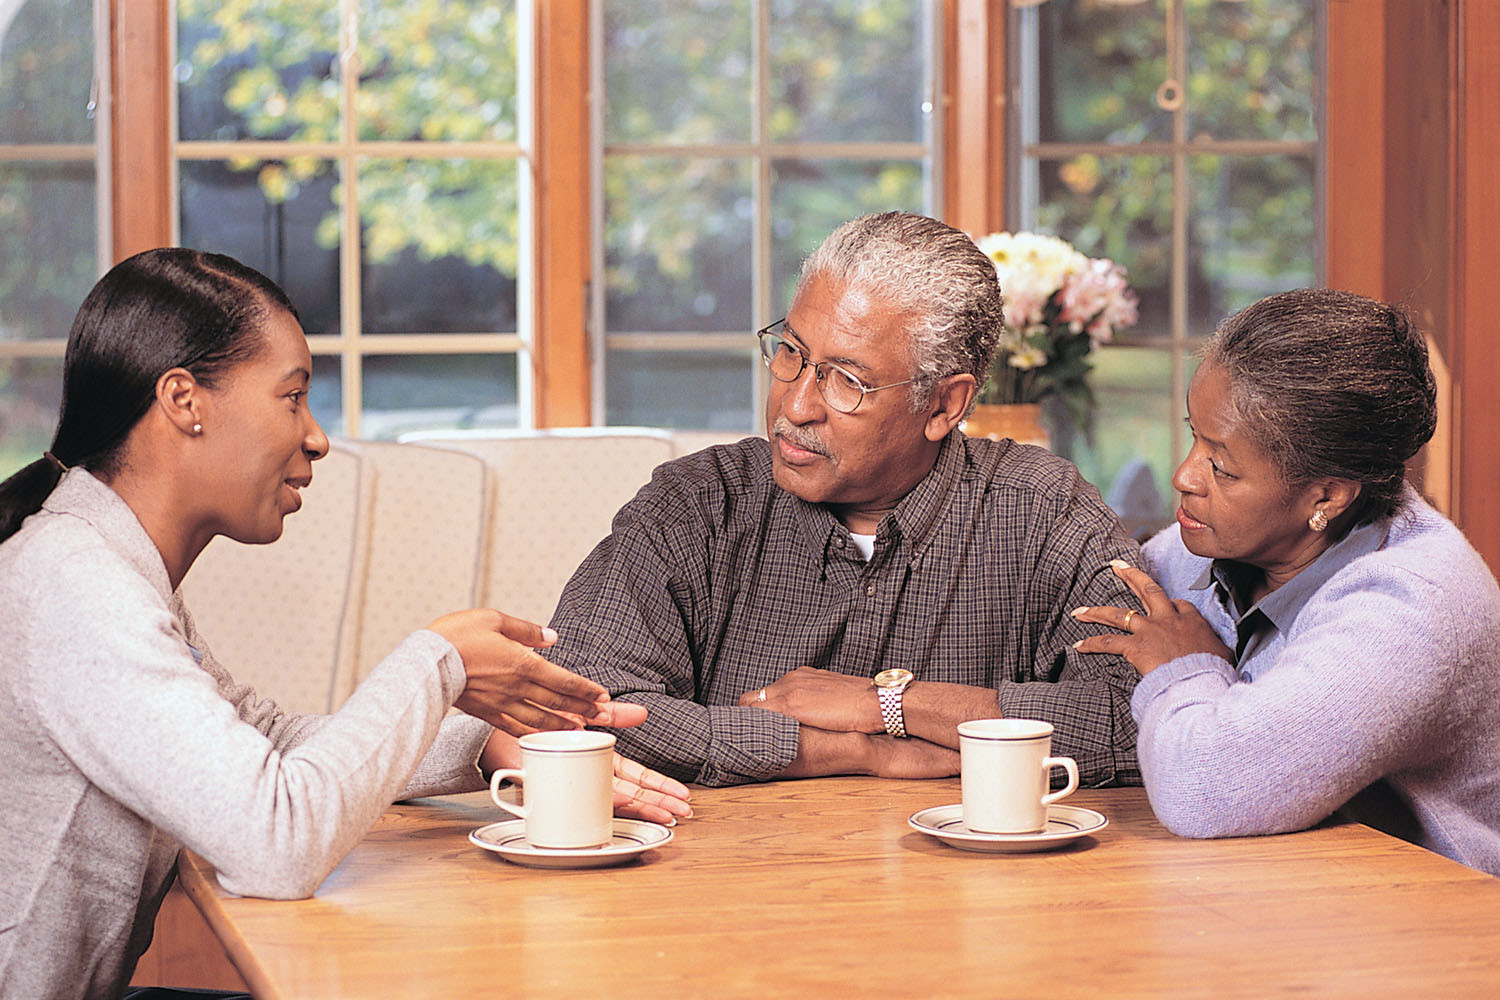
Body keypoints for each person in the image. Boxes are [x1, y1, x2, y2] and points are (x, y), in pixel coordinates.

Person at [0, 249, 691, 1000]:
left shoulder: (107, 564)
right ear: (183, 401)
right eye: (291, 397)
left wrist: (490, 748)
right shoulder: (76, 585)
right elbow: (277, 843)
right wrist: (438, 662)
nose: (316, 436)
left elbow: (265, 740)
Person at [543, 211, 1146, 788]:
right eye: (791, 353)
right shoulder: (697, 507)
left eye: (847, 380)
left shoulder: (1045, 513)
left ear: (943, 406)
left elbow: (1145, 718)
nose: (795, 406)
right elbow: (570, 706)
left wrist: (888, 703)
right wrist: (849, 749)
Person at [1071, 288, 1500, 874]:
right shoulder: (1202, 547)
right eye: (1193, 433)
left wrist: (1185, 665)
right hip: (1281, 892)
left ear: (1326, 495)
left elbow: (1202, 788)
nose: (1183, 475)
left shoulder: (1414, 605)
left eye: (1221, 466)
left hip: (1429, 925)